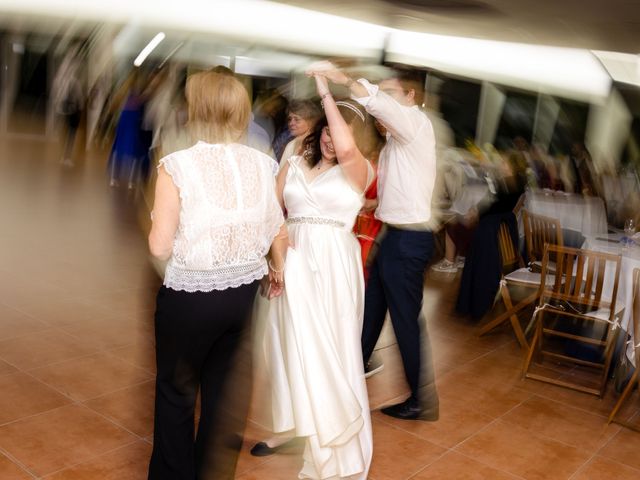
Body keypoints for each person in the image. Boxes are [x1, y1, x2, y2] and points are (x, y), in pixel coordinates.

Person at [147, 70, 287, 480]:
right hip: (243, 294)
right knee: (221, 392)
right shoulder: (264, 164)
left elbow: (159, 245)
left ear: (196, 108)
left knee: (176, 392)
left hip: (191, 296)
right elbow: (277, 226)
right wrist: (276, 268)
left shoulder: (177, 165)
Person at [253, 72, 374, 479]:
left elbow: (344, 145)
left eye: (339, 131)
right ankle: (305, 432)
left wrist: (326, 91)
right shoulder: (293, 154)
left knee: (331, 350)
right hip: (290, 261)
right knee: (292, 351)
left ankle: (334, 448)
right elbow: (272, 210)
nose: (329, 139)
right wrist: (276, 260)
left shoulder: (360, 170)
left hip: (333, 265)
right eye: (326, 129)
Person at [309, 62, 439, 421]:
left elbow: (378, 104)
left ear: (411, 97)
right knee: (371, 310)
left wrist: (344, 81)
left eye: (393, 93)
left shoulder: (414, 124)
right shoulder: (399, 139)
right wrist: (371, 204)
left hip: (408, 241)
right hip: (394, 236)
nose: (385, 101)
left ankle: (421, 403)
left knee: (405, 323)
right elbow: (404, 190)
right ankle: (350, 376)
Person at [278, 99, 322, 163]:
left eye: (297, 119)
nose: (291, 123)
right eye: (290, 119)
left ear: (310, 122)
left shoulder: (318, 146)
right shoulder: (291, 144)